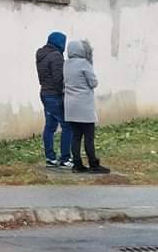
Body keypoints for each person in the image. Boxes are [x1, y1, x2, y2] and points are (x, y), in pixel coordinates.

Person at [64, 40, 111, 174]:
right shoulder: (84, 64)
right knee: (89, 137)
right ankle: (93, 164)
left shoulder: (66, 64)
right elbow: (93, 83)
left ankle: (77, 164)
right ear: (81, 50)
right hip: (84, 106)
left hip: (71, 107)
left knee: (76, 137)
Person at [35, 32, 73, 168]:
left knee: (50, 127)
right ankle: (65, 158)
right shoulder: (56, 56)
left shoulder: (41, 54)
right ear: (60, 43)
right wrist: (63, 92)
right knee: (67, 126)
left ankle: (50, 158)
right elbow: (59, 79)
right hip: (54, 96)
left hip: (44, 93)